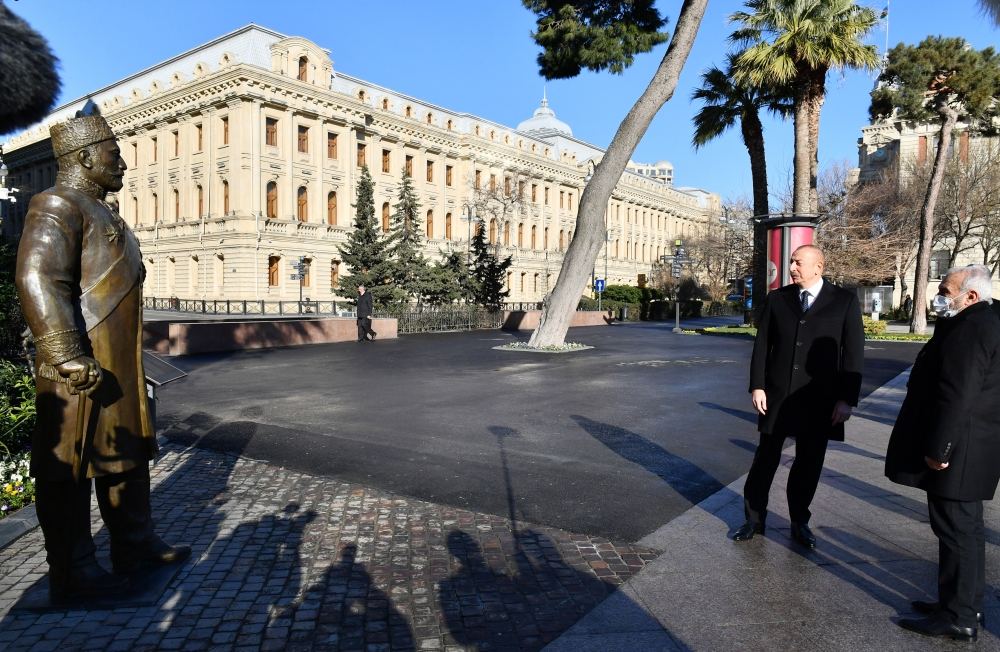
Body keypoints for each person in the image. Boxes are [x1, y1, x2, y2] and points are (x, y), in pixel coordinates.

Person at [15, 110, 189, 602]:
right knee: (66, 467)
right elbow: (38, 279)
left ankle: (134, 545)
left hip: (117, 364)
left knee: (125, 451)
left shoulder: (105, 212)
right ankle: (73, 570)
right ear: (85, 156)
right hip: (78, 366)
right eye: (114, 154)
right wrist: (66, 353)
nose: (123, 163)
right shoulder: (56, 205)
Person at [886, 264, 1000, 642]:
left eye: (947, 290)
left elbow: (959, 392)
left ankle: (959, 616)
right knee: (962, 530)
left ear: (970, 296)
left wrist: (940, 448)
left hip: (961, 449)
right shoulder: (982, 320)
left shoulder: (974, 326)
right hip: (972, 446)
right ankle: (961, 603)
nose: (941, 297)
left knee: (957, 532)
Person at [732, 245, 864, 548]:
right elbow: (763, 346)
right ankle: (754, 519)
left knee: (809, 462)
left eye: (798, 262)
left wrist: (846, 400)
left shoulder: (843, 302)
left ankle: (799, 521)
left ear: (819, 266)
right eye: (791, 261)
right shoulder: (778, 300)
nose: (791, 267)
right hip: (777, 396)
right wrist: (758, 386)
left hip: (821, 400)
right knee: (765, 458)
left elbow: (854, 355)